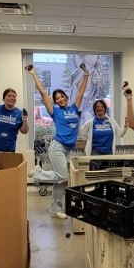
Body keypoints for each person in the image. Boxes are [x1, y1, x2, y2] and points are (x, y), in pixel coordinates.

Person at [28, 63, 90, 219]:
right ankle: (38, 173)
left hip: (68, 148)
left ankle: (55, 209)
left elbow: (81, 93)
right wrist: (34, 74)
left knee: (60, 181)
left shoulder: (73, 109)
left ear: (66, 97)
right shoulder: (54, 111)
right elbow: (43, 93)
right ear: (55, 101)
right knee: (63, 177)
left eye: (62, 97)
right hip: (57, 147)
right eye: (57, 98)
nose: (60, 99)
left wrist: (86, 74)